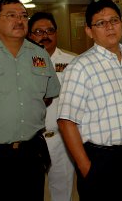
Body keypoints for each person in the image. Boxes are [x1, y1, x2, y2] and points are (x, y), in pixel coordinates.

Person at [57, 0, 122, 200]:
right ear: (89, 31)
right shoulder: (80, 67)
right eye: (100, 23)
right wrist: (86, 168)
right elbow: (66, 122)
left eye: (114, 20)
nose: (109, 27)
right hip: (100, 160)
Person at [0, 0, 60, 201]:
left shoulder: (40, 55)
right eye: (11, 15)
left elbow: (48, 94)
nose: (19, 20)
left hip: (29, 154)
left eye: (23, 16)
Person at [28, 12, 77, 201]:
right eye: (38, 31)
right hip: (30, 140)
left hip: (61, 139)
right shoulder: (21, 63)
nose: (45, 35)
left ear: (56, 33)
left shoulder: (72, 62)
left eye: (50, 30)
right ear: (30, 35)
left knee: (62, 194)